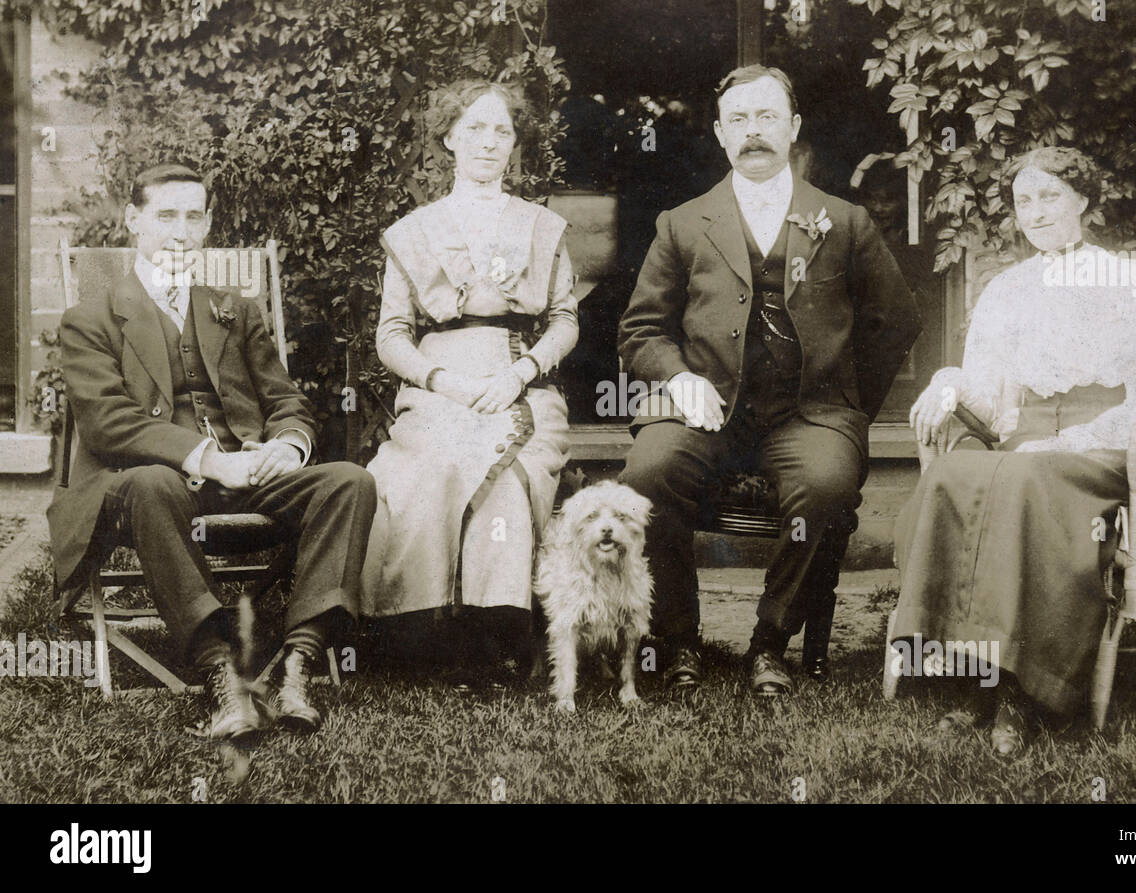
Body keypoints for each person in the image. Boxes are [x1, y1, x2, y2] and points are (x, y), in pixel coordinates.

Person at [618, 65, 921, 697]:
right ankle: (679, 642)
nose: (753, 132)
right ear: (720, 135)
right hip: (706, 412)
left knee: (827, 484)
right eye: (738, 121)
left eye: (766, 118)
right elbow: (641, 329)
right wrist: (678, 379)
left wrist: (847, 400)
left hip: (810, 413)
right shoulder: (682, 223)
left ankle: (770, 643)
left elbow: (895, 320)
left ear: (794, 128)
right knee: (648, 474)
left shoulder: (845, 220)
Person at [49, 163, 377, 740]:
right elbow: (107, 425)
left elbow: (287, 401)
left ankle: (298, 665)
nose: (180, 231)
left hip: (248, 469)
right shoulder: (90, 319)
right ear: (133, 222)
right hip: (147, 483)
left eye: (193, 216)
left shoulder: (235, 308)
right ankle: (219, 671)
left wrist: (288, 445)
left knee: (349, 480)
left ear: (206, 227)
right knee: (153, 482)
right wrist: (206, 456)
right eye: (165, 215)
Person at [893, 146, 1136, 755]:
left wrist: (1069, 437)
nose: (1038, 213)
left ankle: (1022, 694)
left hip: (1101, 445)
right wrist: (949, 383)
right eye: (1025, 201)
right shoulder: (1008, 289)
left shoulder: (1130, 284)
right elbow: (991, 393)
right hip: (1023, 441)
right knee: (955, 475)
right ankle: (975, 676)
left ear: (1083, 201)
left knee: (1023, 482)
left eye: (1051, 197)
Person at [361, 80, 578, 689]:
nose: (488, 142)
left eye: (502, 131)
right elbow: (391, 334)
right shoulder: (413, 231)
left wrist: (521, 372)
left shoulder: (542, 227)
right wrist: (443, 381)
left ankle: (496, 634)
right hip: (437, 387)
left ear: (514, 146)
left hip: (520, 381)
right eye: (475, 129)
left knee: (507, 470)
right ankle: (418, 636)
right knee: (425, 464)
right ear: (450, 138)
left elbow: (564, 319)